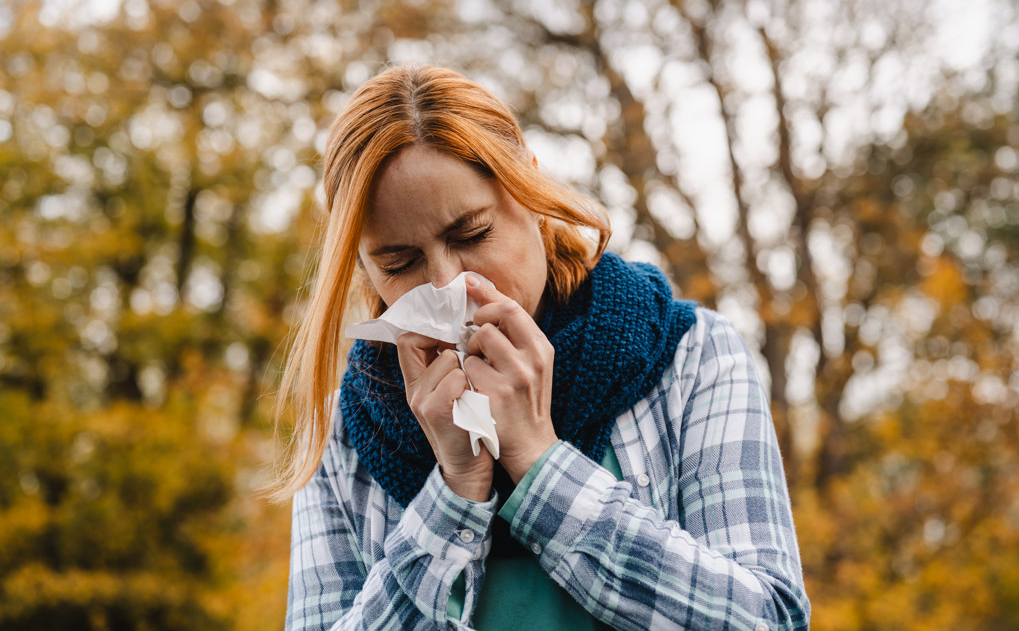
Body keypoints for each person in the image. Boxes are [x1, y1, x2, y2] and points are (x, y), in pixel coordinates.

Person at [273, 64, 810, 630]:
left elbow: (769, 619)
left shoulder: (691, 358)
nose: (449, 285)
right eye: (399, 263)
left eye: (472, 234)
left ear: (530, 188)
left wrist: (538, 462)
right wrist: (453, 493)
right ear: (363, 268)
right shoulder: (347, 429)